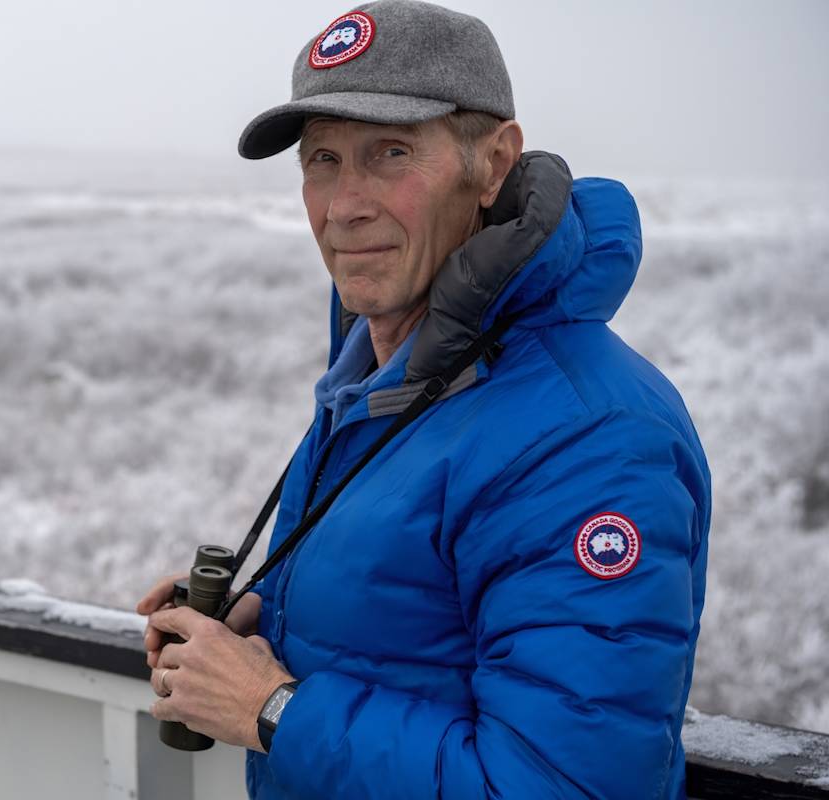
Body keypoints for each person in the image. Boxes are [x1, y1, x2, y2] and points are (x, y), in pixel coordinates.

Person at [137, 1, 712, 798]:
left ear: (495, 162)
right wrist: (260, 623)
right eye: (322, 160)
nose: (344, 206)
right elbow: (418, 616)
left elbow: (566, 787)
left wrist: (271, 709)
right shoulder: (386, 380)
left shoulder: (588, 440)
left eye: (391, 153)